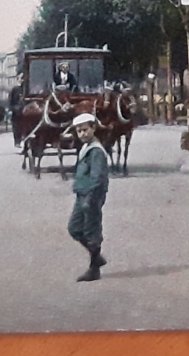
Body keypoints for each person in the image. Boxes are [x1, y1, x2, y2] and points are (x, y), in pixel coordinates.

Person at [67, 113, 110, 282]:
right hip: (82, 194)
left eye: (85, 130)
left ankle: (94, 269)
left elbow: (97, 178)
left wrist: (89, 199)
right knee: (74, 228)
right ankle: (97, 257)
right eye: (79, 131)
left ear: (93, 128)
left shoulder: (96, 151)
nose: (83, 134)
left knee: (92, 232)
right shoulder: (85, 148)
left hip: (91, 197)